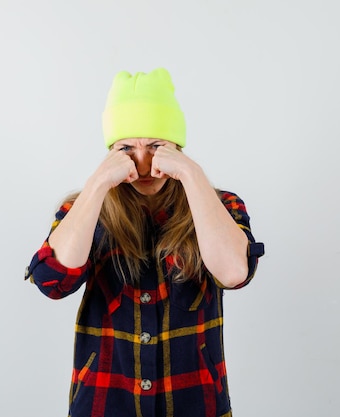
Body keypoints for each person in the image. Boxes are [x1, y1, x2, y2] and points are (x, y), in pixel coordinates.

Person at [25, 68, 265, 417]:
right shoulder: (84, 210)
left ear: (177, 147)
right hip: (106, 401)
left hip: (195, 402)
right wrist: (96, 185)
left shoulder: (220, 205)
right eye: (126, 148)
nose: (142, 162)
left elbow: (234, 272)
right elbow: (52, 282)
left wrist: (191, 174)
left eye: (156, 146)